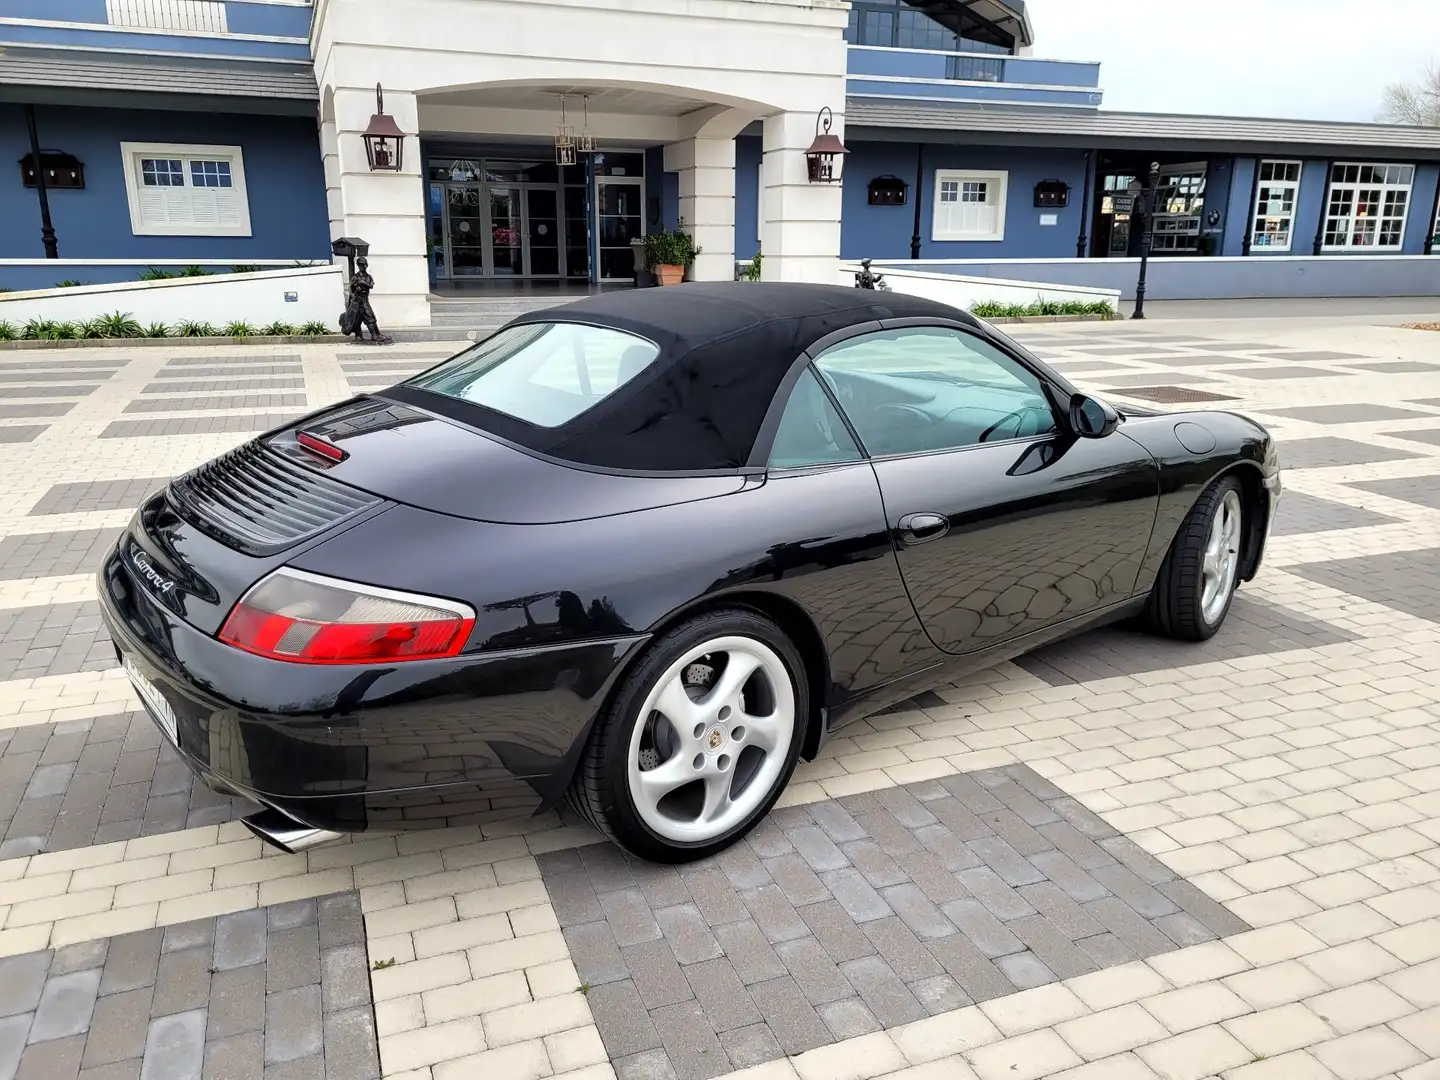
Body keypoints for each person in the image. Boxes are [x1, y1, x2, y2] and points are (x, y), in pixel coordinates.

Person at [342, 256, 391, 344]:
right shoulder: (355, 277)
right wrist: (353, 294)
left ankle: (375, 334)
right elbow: (350, 287)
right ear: (358, 266)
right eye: (361, 265)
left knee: (370, 316)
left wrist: (363, 283)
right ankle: (368, 335)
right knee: (361, 318)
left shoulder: (369, 277)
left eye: (364, 265)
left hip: (365, 299)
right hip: (358, 300)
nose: (363, 267)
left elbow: (371, 285)